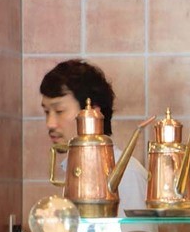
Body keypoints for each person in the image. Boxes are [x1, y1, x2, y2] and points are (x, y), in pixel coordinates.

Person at [40, 59, 148, 218]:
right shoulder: (72, 168)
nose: (50, 123)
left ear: (93, 113)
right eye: (46, 112)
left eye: (59, 111)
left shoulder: (127, 174)